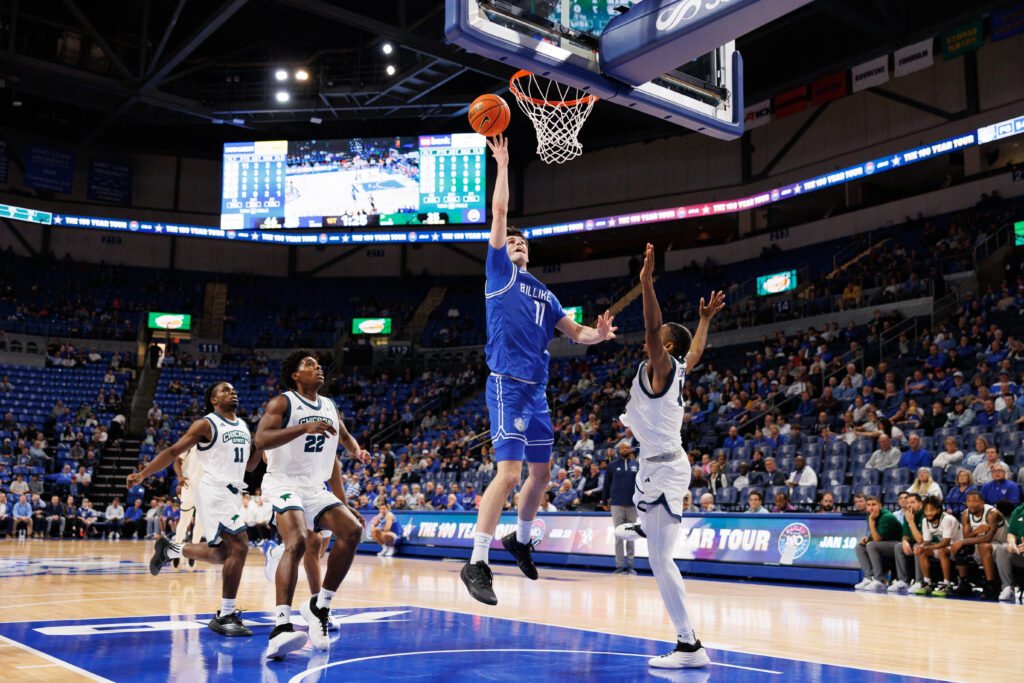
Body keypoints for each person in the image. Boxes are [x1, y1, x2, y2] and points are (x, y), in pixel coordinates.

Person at [461, 136, 617, 607]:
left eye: (522, 242)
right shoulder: (498, 273)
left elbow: (577, 334)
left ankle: (521, 540)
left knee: (542, 475)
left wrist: (600, 334)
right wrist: (503, 166)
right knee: (508, 474)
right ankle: (477, 562)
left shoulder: (546, 295)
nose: (516, 243)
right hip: (507, 385)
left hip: (538, 391)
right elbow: (500, 215)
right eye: (511, 242)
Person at [612, 243, 724, 670]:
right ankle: (645, 524)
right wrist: (704, 320)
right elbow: (695, 352)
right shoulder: (679, 366)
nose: (650, 341)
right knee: (652, 535)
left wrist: (646, 284)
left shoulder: (661, 366)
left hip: (665, 469)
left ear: (666, 345)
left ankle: (689, 646)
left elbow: (652, 323)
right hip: (657, 464)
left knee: (660, 560)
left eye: (659, 340)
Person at [254, 351, 369, 659]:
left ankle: (320, 606)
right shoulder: (283, 403)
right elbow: (261, 440)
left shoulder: (330, 406)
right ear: (295, 375)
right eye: (309, 364)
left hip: (313, 487)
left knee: (353, 531)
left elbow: (344, 437)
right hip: (283, 482)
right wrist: (303, 428)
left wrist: (358, 450)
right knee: (300, 541)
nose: (318, 368)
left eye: (319, 365)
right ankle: (281, 628)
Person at [126, 382, 262, 638]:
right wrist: (144, 474)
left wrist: (263, 443)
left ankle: (171, 548)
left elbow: (251, 468)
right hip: (213, 489)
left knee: (223, 553)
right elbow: (173, 451)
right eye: (224, 390)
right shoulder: (206, 424)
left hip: (233, 492)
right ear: (213, 400)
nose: (232, 392)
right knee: (240, 545)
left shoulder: (243, 426)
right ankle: (225, 614)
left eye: (233, 389)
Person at [950, 491, 1005, 599]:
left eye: (975, 501)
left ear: (982, 502)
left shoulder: (992, 513)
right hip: (979, 542)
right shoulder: (966, 514)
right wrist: (975, 531)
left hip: (999, 544)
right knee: (961, 548)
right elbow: (967, 537)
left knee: (982, 546)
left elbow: (988, 538)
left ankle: (990, 586)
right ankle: (964, 584)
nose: (972, 504)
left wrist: (963, 541)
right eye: (969, 501)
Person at [913, 496, 963, 597]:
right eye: (926, 510)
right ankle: (927, 583)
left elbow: (945, 543)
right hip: (945, 548)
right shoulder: (925, 521)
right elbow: (927, 541)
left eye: (931, 510)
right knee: (922, 551)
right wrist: (921, 547)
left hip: (960, 548)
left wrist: (926, 547)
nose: (928, 513)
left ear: (939, 510)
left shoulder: (947, 519)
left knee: (942, 551)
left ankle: (947, 585)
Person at [604, 444, 640, 575]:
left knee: (631, 535)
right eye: (623, 448)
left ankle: (630, 566)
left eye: (628, 448)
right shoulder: (612, 465)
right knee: (619, 536)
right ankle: (619, 566)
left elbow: (641, 484)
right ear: (619, 451)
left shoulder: (637, 465)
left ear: (630, 450)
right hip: (617, 504)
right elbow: (606, 484)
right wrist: (604, 500)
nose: (626, 450)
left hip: (632, 505)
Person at [854, 496, 903, 591]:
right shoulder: (870, 515)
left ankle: (879, 580)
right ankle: (869, 577)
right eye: (868, 505)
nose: (871, 508)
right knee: (860, 547)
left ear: (880, 505)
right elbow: (875, 534)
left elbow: (876, 539)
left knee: (871, 545)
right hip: (884, 544)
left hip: (898, 545)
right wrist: (867, 538)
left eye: (874, 505)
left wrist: (871, 521)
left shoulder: (886, 517)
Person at [172, 443, 205, 568]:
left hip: (205, 487)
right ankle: (176, 549)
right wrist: (180, 476)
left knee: (201, 522)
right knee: (184, 520)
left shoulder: (215, 445)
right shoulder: (190, 444)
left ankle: (193, 552)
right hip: (188, 486)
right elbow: (177, 462)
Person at [889, 493, 925, 594]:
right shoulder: (908, 514)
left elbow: (920, 540)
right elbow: (905, 534)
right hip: (915, 542)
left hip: (930, 543)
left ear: (920, 504)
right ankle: (903, 581)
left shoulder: (924, 514)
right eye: (907, 502)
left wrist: (911, 522)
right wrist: (904, 541)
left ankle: (919, 582)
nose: (909, 505)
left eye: (912, 502)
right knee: (898, 546)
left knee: (918, 546)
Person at [993, 501, 1024, 601]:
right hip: (1019, 550)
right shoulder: (1019, 510)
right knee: (1002, 548)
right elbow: (1011, 533)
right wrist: (1012, 543)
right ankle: (1007, 587)